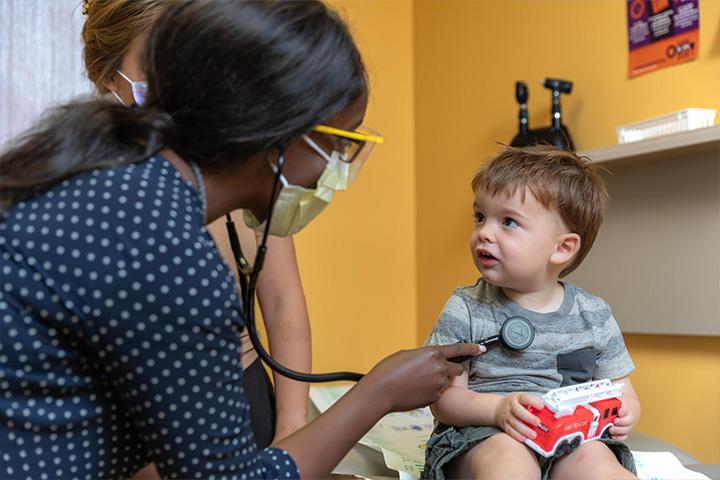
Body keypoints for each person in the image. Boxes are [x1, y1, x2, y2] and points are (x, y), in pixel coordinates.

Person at [0, 1, 484, 478]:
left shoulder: (119, 190)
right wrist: (380, 392)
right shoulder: (169, 252)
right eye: (337, 146)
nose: (333, 173)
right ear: (275, 136)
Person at [81, 0, 311, 451]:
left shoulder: (246, 166)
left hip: (243, 398)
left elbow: (283, 304)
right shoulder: (88, 186)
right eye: (161, 61)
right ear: (111, 76)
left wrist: (292, 430)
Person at [422, 145, 641, 480]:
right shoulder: (466, 308)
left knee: (596, 462)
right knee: (509, 459)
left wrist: (627, 413)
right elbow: (443, 398)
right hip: (483, 434)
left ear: (562, 248)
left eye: (508, 221)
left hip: (569, 437)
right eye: (480, 216)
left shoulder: (593, 315)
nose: (484, 232)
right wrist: (497, 410)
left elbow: (620, 389)